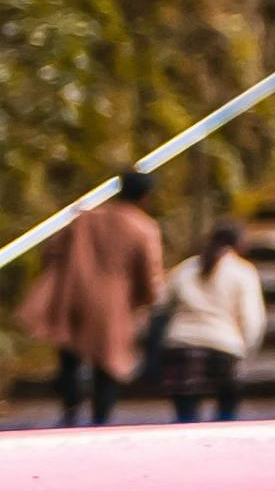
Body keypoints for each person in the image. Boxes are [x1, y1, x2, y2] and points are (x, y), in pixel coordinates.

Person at [17, 174, 164, 431]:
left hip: (73, 294)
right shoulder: (144, 228)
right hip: (112, 303)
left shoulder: (86, 218)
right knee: (107, 363)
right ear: (145, 197)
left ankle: (70, 410)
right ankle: (101, 419)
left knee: (70, 356)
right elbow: (149, 274)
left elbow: (51, 251)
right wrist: (147, 299)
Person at [149, 225, 260, 425]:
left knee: (186, 419)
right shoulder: (243, 272)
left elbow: (160, 306)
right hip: (224, 346)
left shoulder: (185, 268)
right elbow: (252, 320)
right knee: (226, 415)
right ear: (238, 244)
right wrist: (246, 350)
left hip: (181, 346)